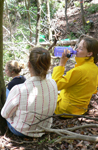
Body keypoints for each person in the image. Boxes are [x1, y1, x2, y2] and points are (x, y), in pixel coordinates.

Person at [1, 47, 58, 137]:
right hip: (45, 127)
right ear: (49, 65)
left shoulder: (19, 89)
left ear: (29, 64)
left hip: (22, 131)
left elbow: (4, 114)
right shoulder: (53, 83)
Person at [52, 36, 98, 118]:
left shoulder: (79, 70)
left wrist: (62, 64)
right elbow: (94, 90)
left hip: (65, 110)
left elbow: (55, 85)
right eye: (77, 47)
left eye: (80, 48)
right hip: (81, 109)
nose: (76, 50)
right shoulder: (95, 68)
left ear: (89, 53)